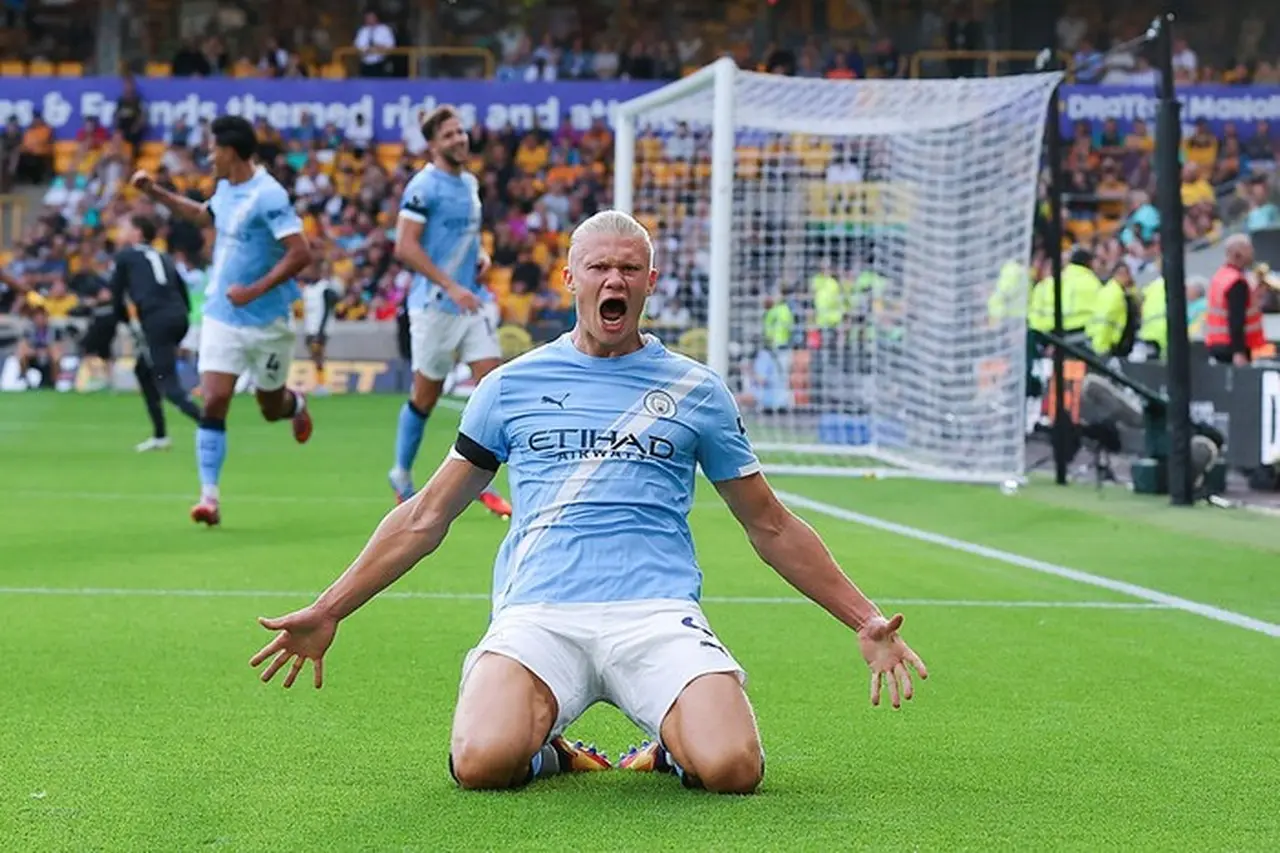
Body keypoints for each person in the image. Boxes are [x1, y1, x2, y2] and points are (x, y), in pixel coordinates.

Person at [250, 210, 928, 795]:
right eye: (599, 267)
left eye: (630, 269)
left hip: (656, 612)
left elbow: (770, 524)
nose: (615, 281)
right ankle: (551, 752)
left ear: (650, 282)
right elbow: (427, 515)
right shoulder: (509, 386)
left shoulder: (696, 390)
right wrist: (330, 608)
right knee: (481, 761)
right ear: (569, 278)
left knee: (733, 768)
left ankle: (670, 749)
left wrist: (864, 618)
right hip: (539, 613)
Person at [130, 115, 315, 526]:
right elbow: (203, 216)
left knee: (270, 407)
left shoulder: (269, 195)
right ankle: (209, 498)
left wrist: (254, 290)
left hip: (267, 320)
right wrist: (154, 192)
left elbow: (301, 252)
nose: (209, 156)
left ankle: (295, 404)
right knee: (214, 400)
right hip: (221, 315)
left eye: (213, 148)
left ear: (230, 151)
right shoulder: (227, 188)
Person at [388, 105, 512, 518]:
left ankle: (481, 480)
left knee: (494, 388)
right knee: (425, 397)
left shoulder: (469, 182)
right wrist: (450, 285)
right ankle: (401, 474)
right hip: (435, 307)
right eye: (449, 135)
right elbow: (405, 246)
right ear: (433, 145)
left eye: (460, 131)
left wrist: (480, 256)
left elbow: (463, 237)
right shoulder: (423, 186)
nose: (459, 139)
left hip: (470, 303)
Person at [108, 213, 203, 450]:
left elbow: (116, 297)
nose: (120, 231)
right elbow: (183, 292)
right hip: (178, 317)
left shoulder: (126, 257)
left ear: (137, 233)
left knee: (167, 382)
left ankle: (209, 423)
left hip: (156, 319)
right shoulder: (163, 256)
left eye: (125, 226)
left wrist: (128, 323)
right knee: (143, 370)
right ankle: (160, 435)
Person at [1205, 233, 1265, 367]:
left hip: (1217, 344)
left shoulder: (1221, 276)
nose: (1252, 253)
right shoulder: (1237, 282)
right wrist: (1239, 352)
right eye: (1249, 249)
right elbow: (1236, 319)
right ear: (1238, 254)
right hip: (1233, 348)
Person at [301, 262, 340, 394]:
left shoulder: (325, 289)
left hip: (320, 328)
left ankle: (322, 384)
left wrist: (321, 331)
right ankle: (319, 382)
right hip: (310, 327)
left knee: (318, 355)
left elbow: (327, 311)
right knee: (314, 356)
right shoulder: (308, 289)